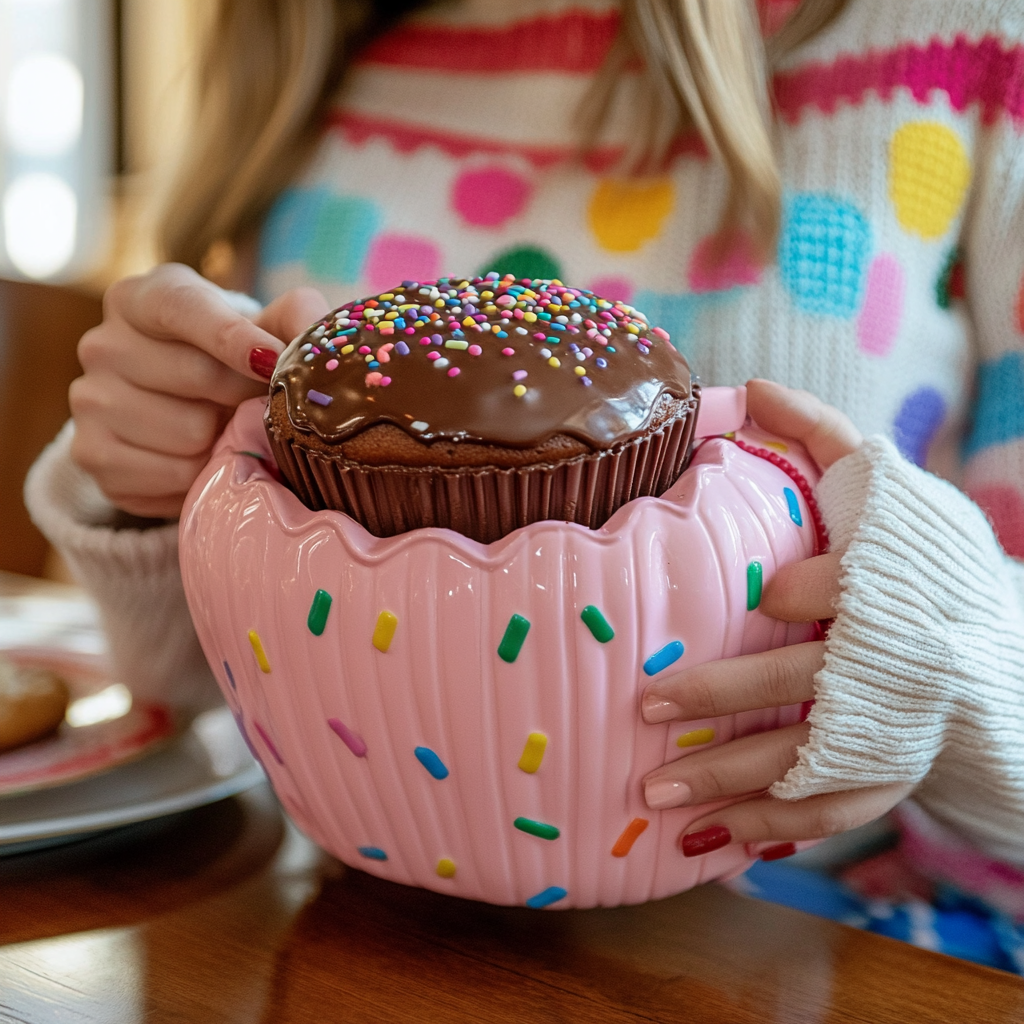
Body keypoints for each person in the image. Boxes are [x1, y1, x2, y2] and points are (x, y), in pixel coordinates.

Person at [25, 0, 1024, 969]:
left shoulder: (974, 45)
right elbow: (214, 702)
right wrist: (156, 491)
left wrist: (966, 657)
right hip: (357, 938)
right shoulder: (324, 67)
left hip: (832, 953)